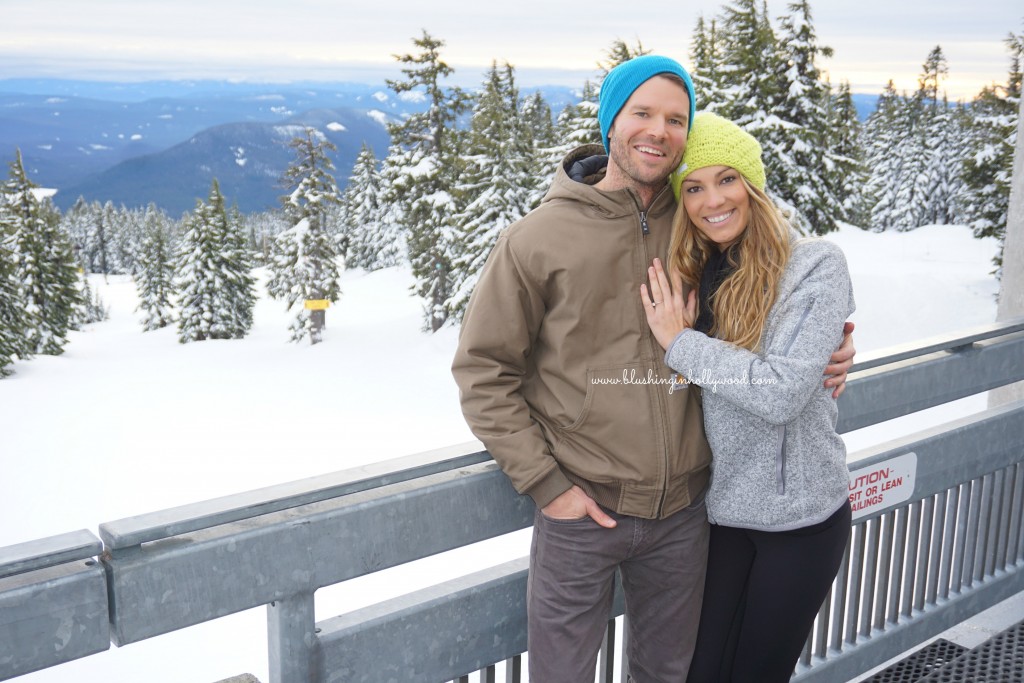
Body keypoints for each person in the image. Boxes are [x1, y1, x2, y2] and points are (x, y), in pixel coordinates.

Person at [452, 55, 854, 682]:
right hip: (584, 507)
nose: (658, 130)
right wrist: (547, 486)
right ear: (612, 120)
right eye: (642, 112)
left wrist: (834, 347)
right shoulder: (537, 239)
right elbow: (484, 372)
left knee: (669, 675)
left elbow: (774, 302)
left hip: (689, 514)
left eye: (675, 117)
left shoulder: (696, 219)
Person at [641, 112, 855, 683]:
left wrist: (681, 344)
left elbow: (781, 391)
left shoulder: (814, 265)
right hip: (724, 513)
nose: (713, 200)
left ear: (753, 185)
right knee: (699, 672)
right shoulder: (697, 270)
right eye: (694, 186)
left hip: (800, 520)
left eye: (727, 179)